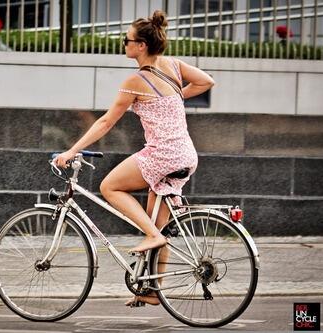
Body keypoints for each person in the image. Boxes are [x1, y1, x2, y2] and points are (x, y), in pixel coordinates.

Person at [53, 10, 215, 306]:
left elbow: (105, 123)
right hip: (185, 154)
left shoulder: (136, 81)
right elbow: (207, 81)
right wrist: (175, 97)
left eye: (126, 40)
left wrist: (71, 150)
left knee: (109, 187)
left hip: (162, 155)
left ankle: (152, 235)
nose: (123, 44)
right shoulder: (172, 66)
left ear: (141, 45)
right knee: (159, 223)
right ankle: (153, 290)